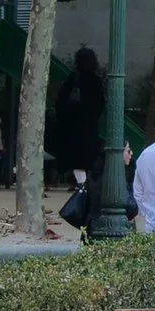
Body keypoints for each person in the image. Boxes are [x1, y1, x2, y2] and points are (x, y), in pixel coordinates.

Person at [50, 47, 105, 200]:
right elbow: (100, 104)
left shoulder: (73, 78)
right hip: (88, 126)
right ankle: (87, 185)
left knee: (77, 159)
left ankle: (82, 184)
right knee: (88, 158)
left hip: (72, 127)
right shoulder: (95, 80)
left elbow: (60, 102)